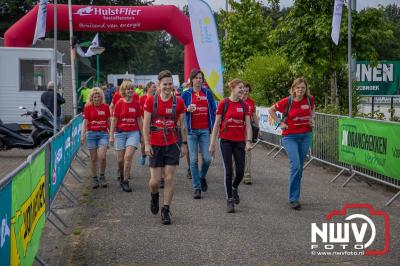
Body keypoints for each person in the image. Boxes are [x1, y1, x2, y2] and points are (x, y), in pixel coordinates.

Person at [143, 70, 188, 225]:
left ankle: (166, 209)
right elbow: (146, 124)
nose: (168, 87)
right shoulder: (151, 101)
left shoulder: (179, 102)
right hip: (155, 144)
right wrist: (147, 144)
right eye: (165, 84)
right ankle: (154, 196)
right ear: (158, 85)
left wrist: (184, 144)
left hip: (172, 143)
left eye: (170, 84)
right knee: (154, 181)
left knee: (169, 178)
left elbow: (182, 125)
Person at [268, 77, 315, 210]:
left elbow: (312, 111)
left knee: (299, 168)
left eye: (303, 88)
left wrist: (312, 119)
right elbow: (270, 110)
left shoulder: (309, 99)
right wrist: (280, 123)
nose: (300, 90)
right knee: (296, 165)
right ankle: (293, 198)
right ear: (294, 89)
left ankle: (295, 196)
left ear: (306, 89)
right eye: (298, 87)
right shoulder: (287, 101)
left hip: (305, 136)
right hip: (290, 137)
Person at [209, 78, 252, 213]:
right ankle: (229, 200)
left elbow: (248, 125)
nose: (242, 90)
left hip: (239, 142)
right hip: (226, 141)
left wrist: (248, 141)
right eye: (240, 87)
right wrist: (212, 144)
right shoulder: (224, 103)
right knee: (229, 171)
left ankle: (234, 188)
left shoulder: (245, 105)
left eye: (243, 88)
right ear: (232, 88)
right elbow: (216, 124)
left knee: (239, 172)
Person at [181, 69, 216, 199]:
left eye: (201, 78)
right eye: (196, 78)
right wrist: (186, 109)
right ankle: (197, 188)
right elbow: (179, 108)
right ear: (192, 80)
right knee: (194, 160)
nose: (199, 80)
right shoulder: (186, 94)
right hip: (191, 131)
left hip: (205, 130)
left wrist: (214, 129)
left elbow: (213, 110)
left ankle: (202, 177)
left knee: (207, 158)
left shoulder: (207, 93)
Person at [109, 80, 143, 192]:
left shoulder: (136, 103)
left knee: (128, 157)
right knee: (120, 160)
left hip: (133, 133)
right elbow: (114, 120)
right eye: (128, 89)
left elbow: (139, 119)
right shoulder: (119, 103)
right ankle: (121, 173)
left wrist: (142, 135)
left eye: (132, 89)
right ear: (124, 90)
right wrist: (111, 135)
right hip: (120, 133)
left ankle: (125, 181)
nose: (130, 91)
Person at [81, 87, 111, 189]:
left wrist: (111, 134)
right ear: (91, 98)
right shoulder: (88, 107)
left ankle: (102, 176)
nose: (97, 98)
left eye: (98, 96)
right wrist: (82, 135)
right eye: (95, 97)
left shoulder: (105, 107)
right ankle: (94, 178)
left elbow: (108, 121)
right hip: (91, 134)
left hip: (103, 134)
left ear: (101, 97)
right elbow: (85, 122)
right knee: (93, 159)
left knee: (102, 156)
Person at [242, 82, 259, 185]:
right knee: (235, 153)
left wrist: (258, 128)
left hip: (248, 130)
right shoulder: (235, 100)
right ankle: (234, 173)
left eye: (247, 91)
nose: (245, 93)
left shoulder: (251, 102)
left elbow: (254, 115)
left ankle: (247, 176)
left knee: (248, 152)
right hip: (236, 129)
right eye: (244, 91)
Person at [139, 81, 157, 166]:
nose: (155, 88)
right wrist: (143, 121)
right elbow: (139, 112)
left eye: (155, 87)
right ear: (148, 88)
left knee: (153, 141)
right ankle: (143, 155)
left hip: (154, 124)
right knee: (143, 142)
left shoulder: (157, 98)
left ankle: (153, 159)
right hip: (144, 122)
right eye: (153, 87)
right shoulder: (142, 98)